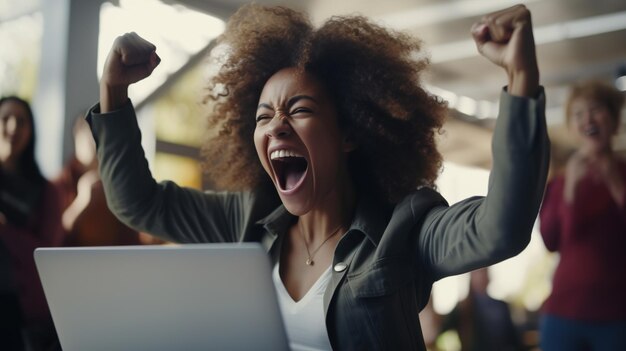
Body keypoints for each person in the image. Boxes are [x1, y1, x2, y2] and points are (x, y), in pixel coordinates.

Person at [88, 4, 549, 350]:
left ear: (349, 132)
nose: (276, 126)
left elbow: (500, 229)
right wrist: (112, 91)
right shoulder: (247, 218)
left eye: (299, 109)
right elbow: (139, 204)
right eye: (263, 116)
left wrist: (521, 79)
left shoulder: (404, 230)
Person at [539, 80, 626, 350]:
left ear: (613, 120)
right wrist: (570, 191)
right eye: (578, 114)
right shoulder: (559, 183)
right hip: (563, 312)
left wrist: (615, 183)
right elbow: (550, 241)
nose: (587, 119)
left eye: (596, 110)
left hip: (617, 314)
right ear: (572, 128)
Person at [0, 96, 63, 350]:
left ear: (31, 131)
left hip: (20, 311)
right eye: (5, 119)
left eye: (21, 121)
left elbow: (47, 252)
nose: (13, 127)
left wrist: (4, 229)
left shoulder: (47, 191)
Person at [53, 116, 144, 246]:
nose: (94, 142)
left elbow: (130, 239)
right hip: (72, 262)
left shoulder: (117, 183)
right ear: (76, 137)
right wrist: (82, 202)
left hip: (111, 262)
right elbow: (51, 237)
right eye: (88, 134)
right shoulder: (59, 184)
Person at [438, 268, 523, 351]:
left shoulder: (501, 306)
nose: (482, 276)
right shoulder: (463, 307)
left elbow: (513, 338)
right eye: (478, 272)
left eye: (484, 271)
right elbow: (440, 328)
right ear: (471, 277)